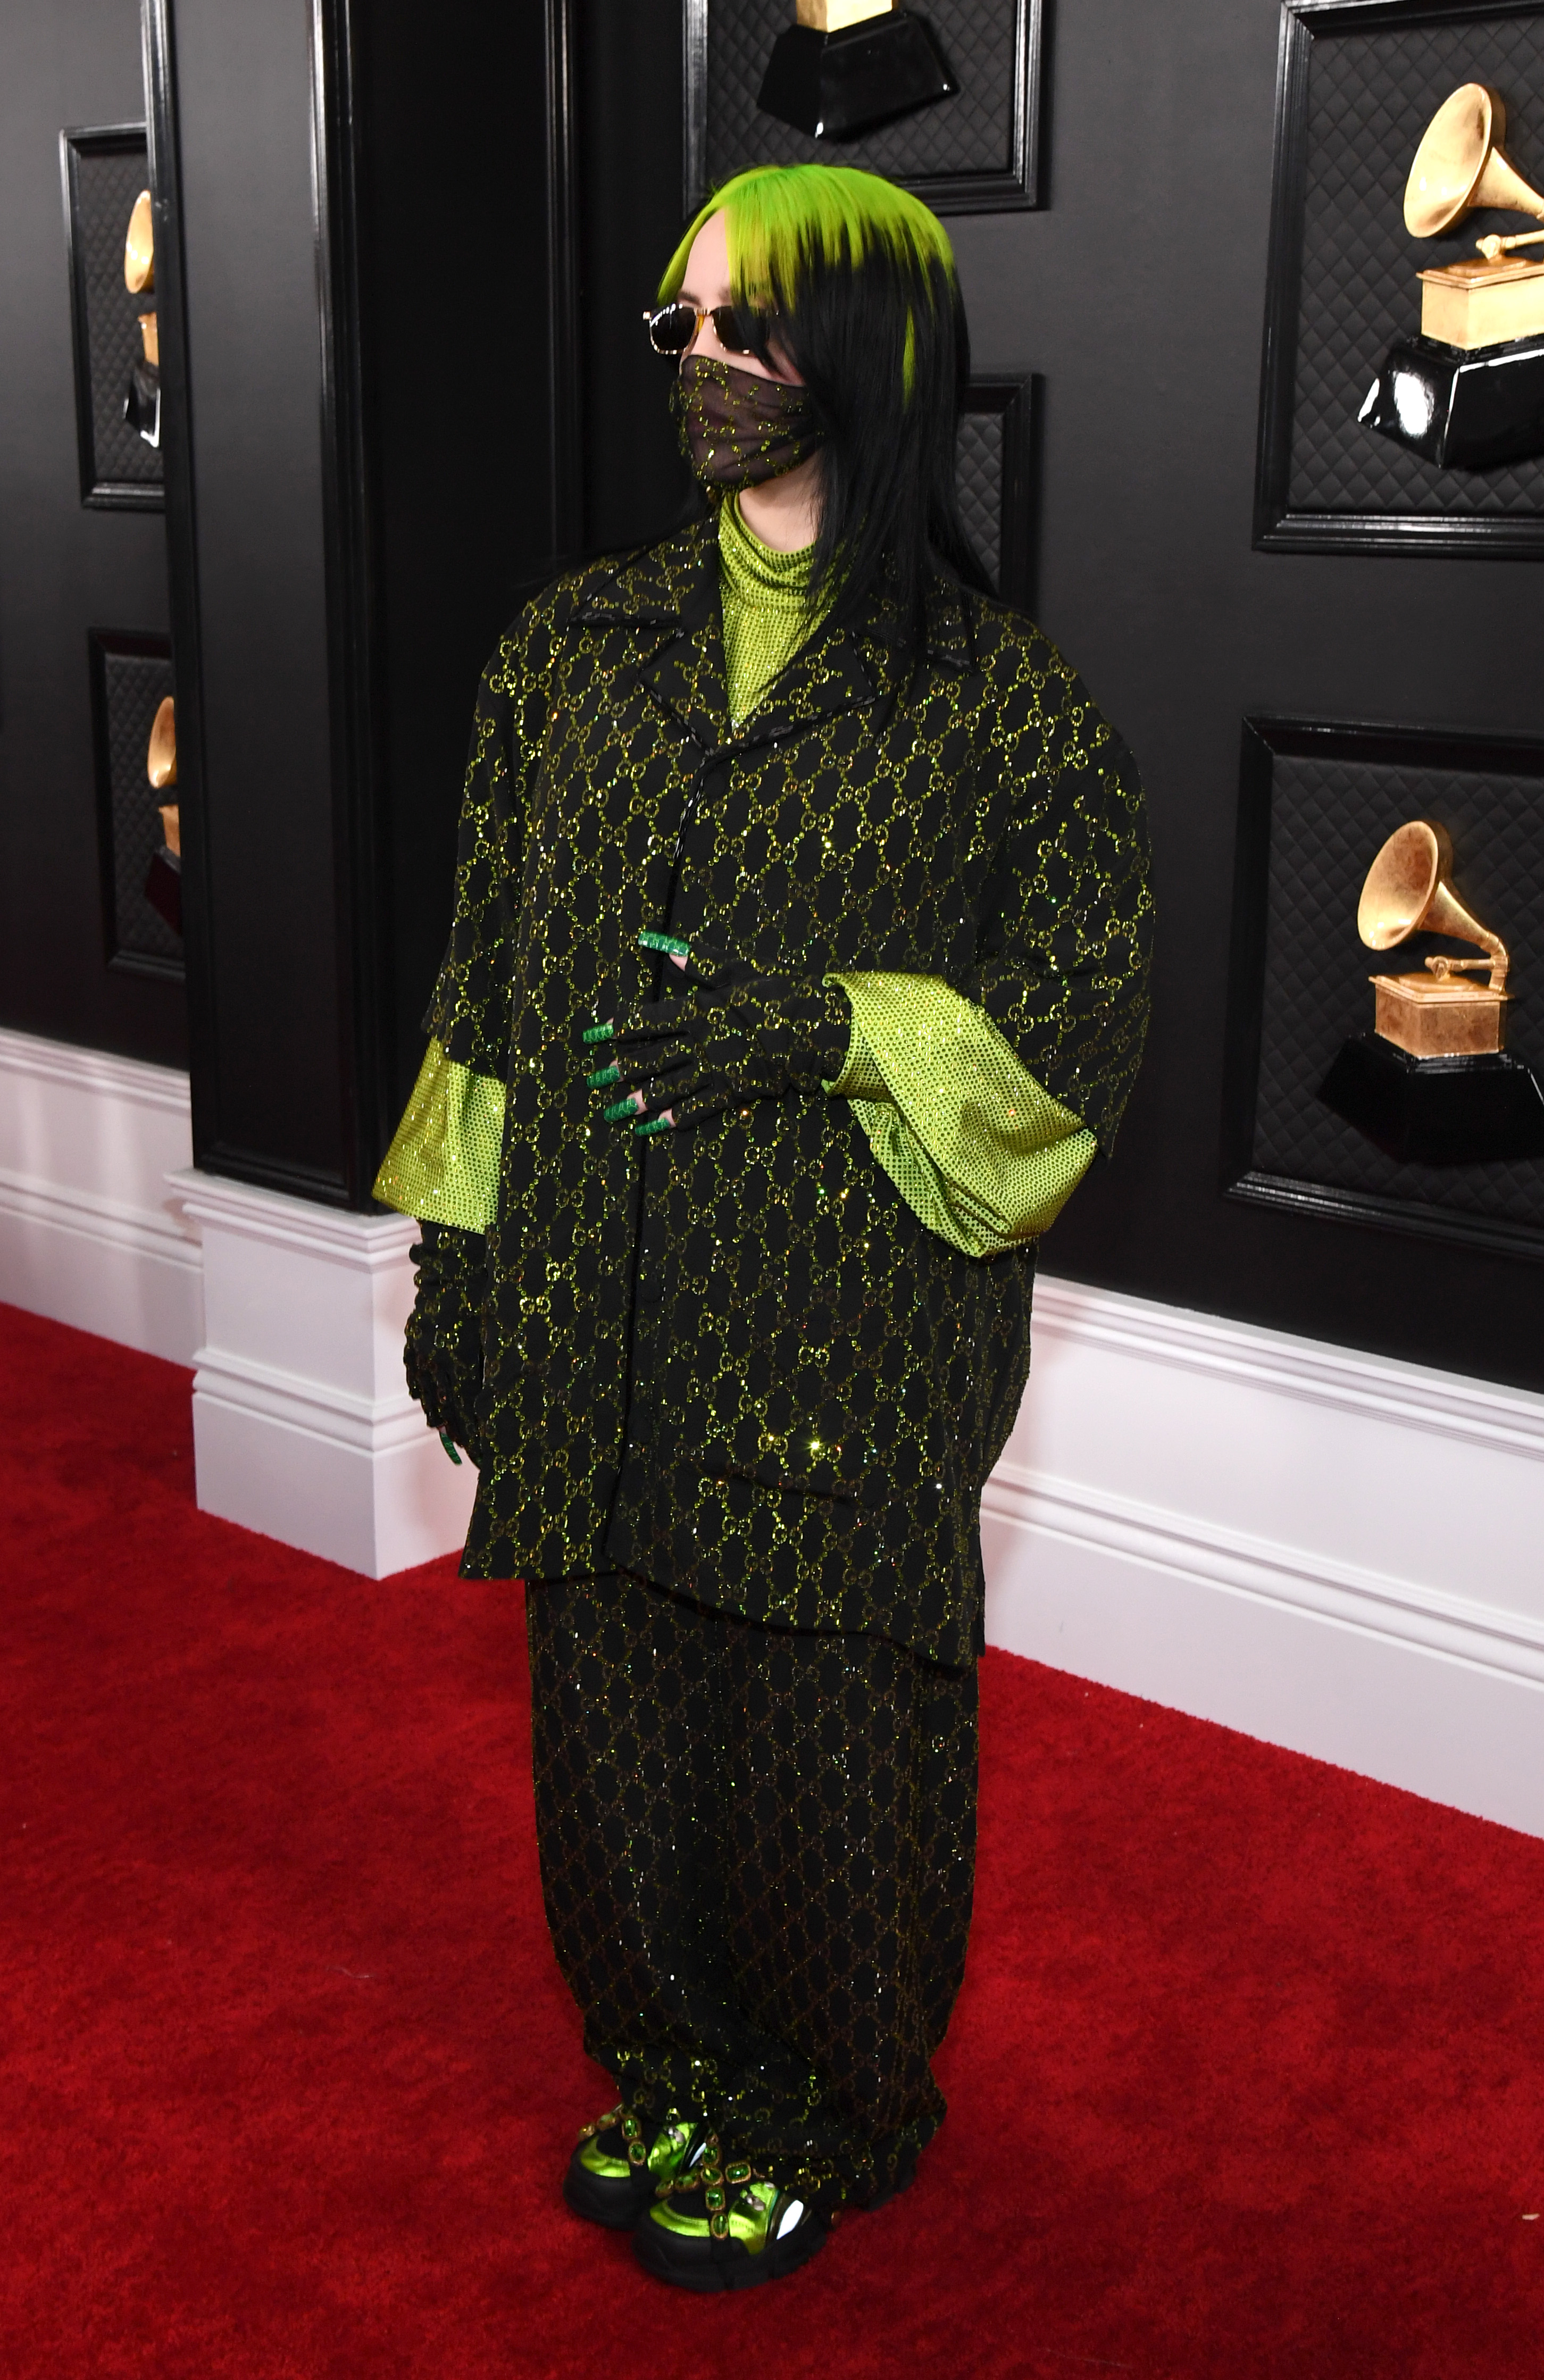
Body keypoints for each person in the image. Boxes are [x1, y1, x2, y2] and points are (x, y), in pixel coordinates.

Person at [374, 161, 1152, 2295]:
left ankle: (824, 2106)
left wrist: (825, 1027)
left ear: (871, 353)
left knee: (819, 1751)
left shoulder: (996, 706)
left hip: (843, 1335)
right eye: (680, 328)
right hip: (588, 1297)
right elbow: (483, 973)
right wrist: (458, 1259)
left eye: (747, 327)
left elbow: (1076, 1042)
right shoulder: (570, 650)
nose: (700, 366)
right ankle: (669, 2064)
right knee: (606, 1734)